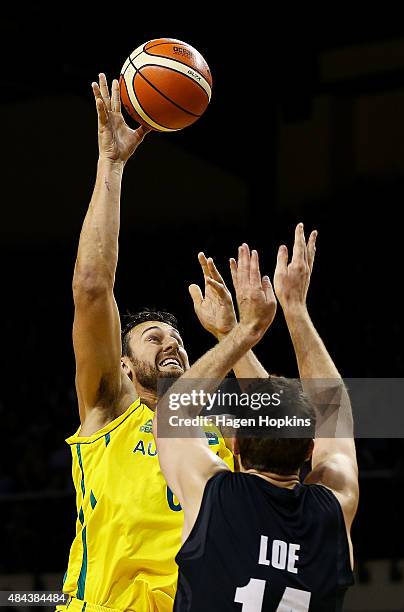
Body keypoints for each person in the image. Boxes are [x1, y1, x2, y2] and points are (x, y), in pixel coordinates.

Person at [57, 74, 235, 612]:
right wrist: (110, 166)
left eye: (179, 337)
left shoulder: (225, 427)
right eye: (154, 338)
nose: (173, 343)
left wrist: (235, 338)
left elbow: (326, 418)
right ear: (127, 368)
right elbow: (91, 288)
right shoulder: (110, 409)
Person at [155, 226, 359, 611]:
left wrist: (243, 333)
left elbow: (172, 409)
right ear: (309, 451)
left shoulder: (212, 496)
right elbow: (333, 410)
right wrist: (295, 310)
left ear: (234, 447)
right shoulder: (335, 507)